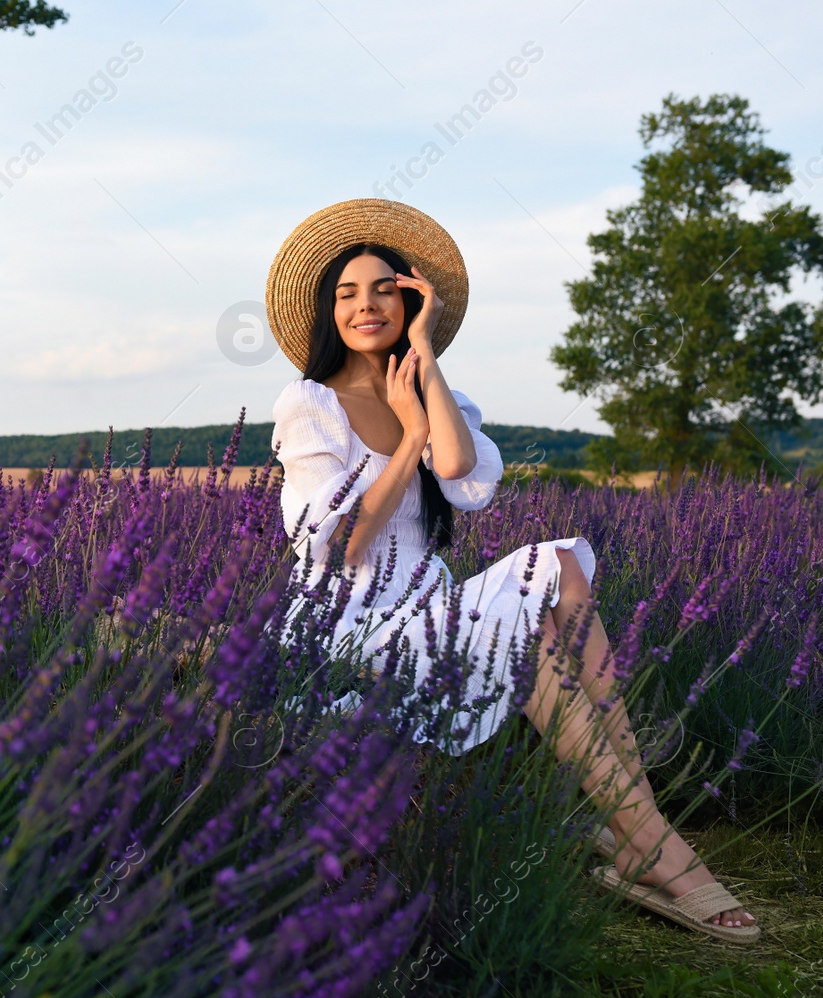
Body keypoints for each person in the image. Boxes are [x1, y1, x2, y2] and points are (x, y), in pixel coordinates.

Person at [263, 199, 758, 942]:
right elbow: (345, 547)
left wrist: (424, 362)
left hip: (424, 605)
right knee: (519, 644)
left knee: (559, 564)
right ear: (327, 314)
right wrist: (407, 443)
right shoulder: (311, 406)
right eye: (346, 293)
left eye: (384, 290)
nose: (366, 305)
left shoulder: (433, 391)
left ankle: (638, 835)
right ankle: (659, 852)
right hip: (348, 626)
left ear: (409, 300)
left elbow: (464, 475)